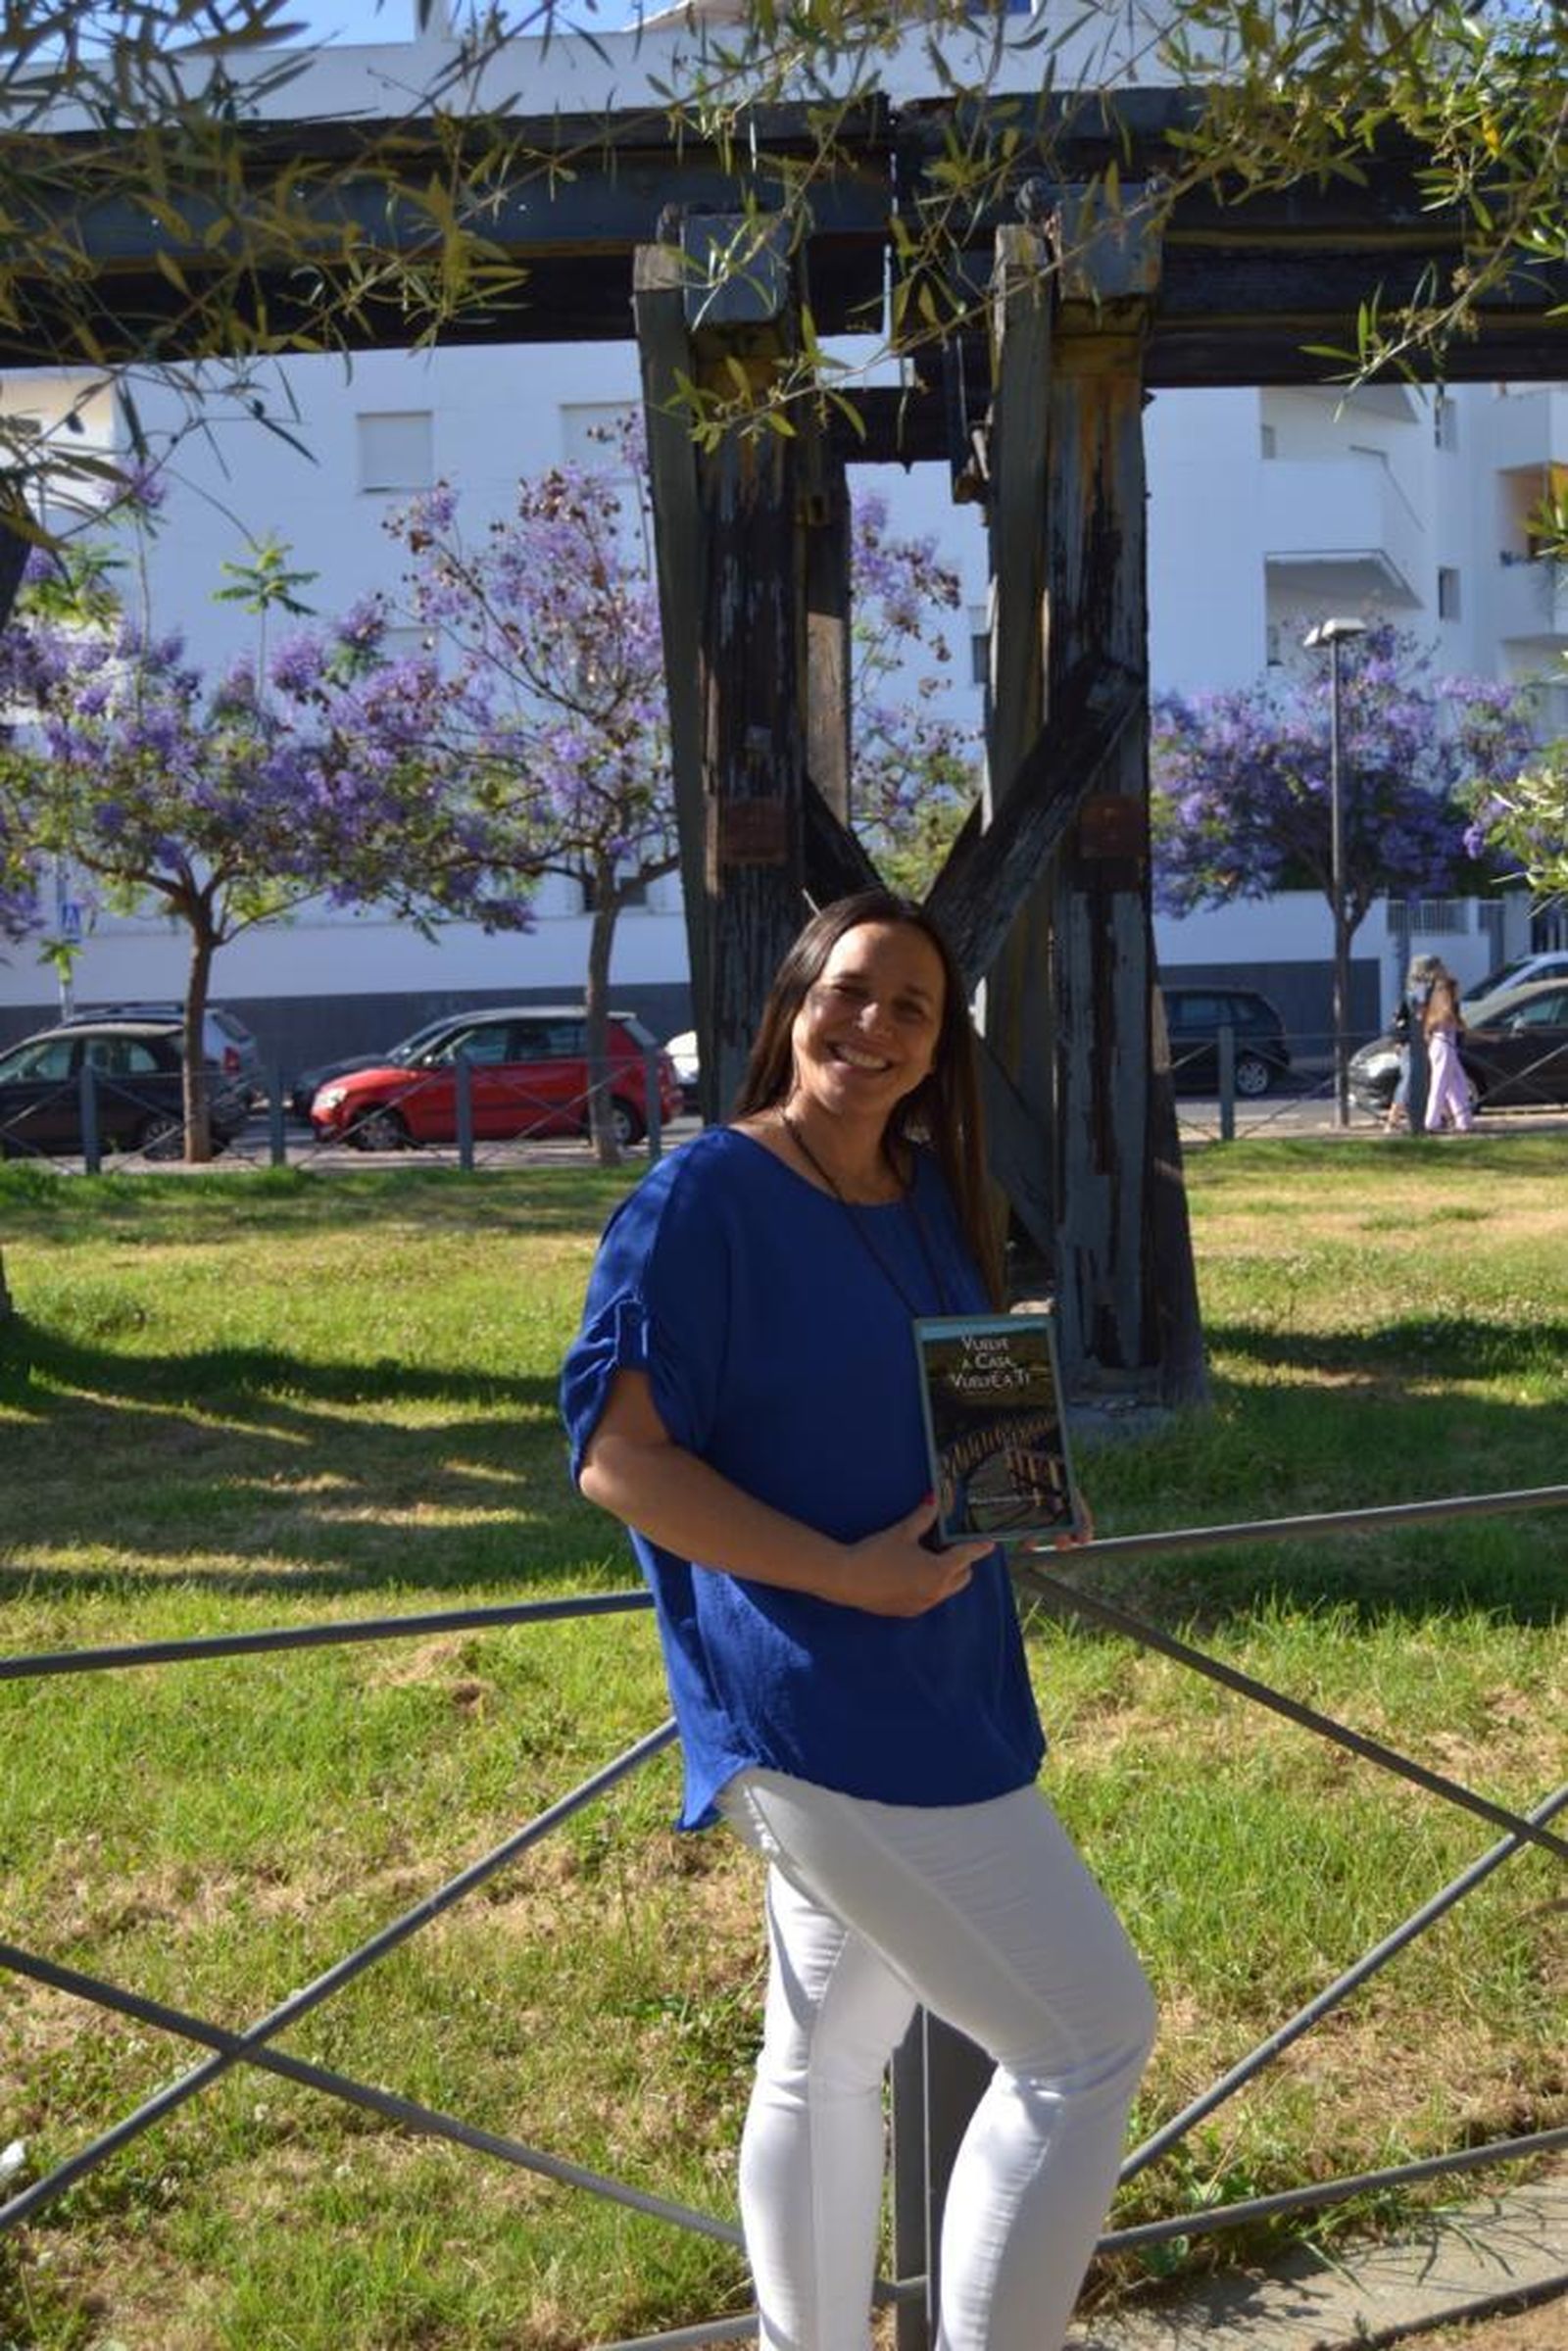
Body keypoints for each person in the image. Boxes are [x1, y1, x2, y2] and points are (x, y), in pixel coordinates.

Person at [561, 889, 1155, 2351]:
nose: (875, 1026)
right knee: (1086, 2037)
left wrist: (1024, 1489)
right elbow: (620, 1460)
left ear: (940, 1045)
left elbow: (966, 1399)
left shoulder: (926, 1189)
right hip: (828, 1695)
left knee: (825, 2049)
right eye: (850, 991)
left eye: (913, 1007)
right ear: (790, 1004)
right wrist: (840, 1572)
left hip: (939, 1665)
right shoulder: (703, 1195)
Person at [1385, 953, 1439, 1133]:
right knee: (1410, 1079)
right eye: (1435, 967)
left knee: (1421, 1079)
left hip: (1413, 1041)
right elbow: (1419, 1014)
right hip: (1412, 1042)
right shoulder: (1419, 988)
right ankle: (1394, 1120)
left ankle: (1422, 1119)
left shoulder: (1417, 988)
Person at [1422, 958, 1473, 1133]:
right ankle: (1432, 1121)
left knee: (1457, 1082)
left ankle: (1463, 1120)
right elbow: (1451, 1019)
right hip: (1444, 1043)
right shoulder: (1444, 1007)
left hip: (1444, 1043)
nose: (1459, 994)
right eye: (1456, 991)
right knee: (1441, 1083)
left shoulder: (1436, 1002)